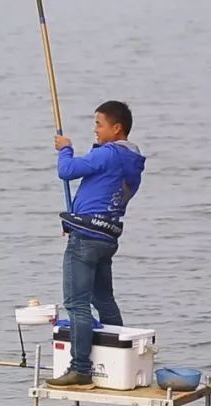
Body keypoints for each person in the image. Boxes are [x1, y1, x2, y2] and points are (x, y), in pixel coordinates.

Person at [48, 100, 146, 389]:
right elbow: (101, 189)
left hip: (87, 238)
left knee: (76, 304)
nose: (95, 129)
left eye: (99, 124)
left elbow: (67, 170)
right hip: (107, 236)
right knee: (103, 300)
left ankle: (80, 368)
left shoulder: (109, 154)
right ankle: (119, 361)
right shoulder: (130, 160)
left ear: (117, 129)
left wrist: (65, 147)